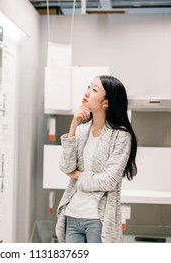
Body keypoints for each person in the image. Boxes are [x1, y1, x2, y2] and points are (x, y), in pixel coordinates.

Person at [55, 75, 137, 243]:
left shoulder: (121, 135)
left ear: (105, 103)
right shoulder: (81, 130)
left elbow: (108, 180)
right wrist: (73, 126)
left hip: (98, 220)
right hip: (72, 215)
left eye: (94, 90)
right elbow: (66, 167)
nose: (87, 92)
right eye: (88, 87)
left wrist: (77, 175)